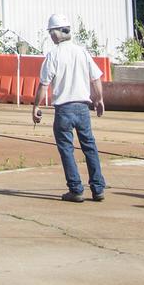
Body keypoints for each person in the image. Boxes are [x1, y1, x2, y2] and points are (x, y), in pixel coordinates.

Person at [31, 13, 106, 203]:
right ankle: (98, 189)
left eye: (50, 32)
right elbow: (95, 78)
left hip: (64, 109)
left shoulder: (54, 55)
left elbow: (44, 84)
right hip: (82, 108)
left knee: (66, 149)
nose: (50, 36)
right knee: (90, 147)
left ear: (56, 33)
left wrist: (36, 106)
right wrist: (99, 100)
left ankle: (76, 189)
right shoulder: (82, 52)